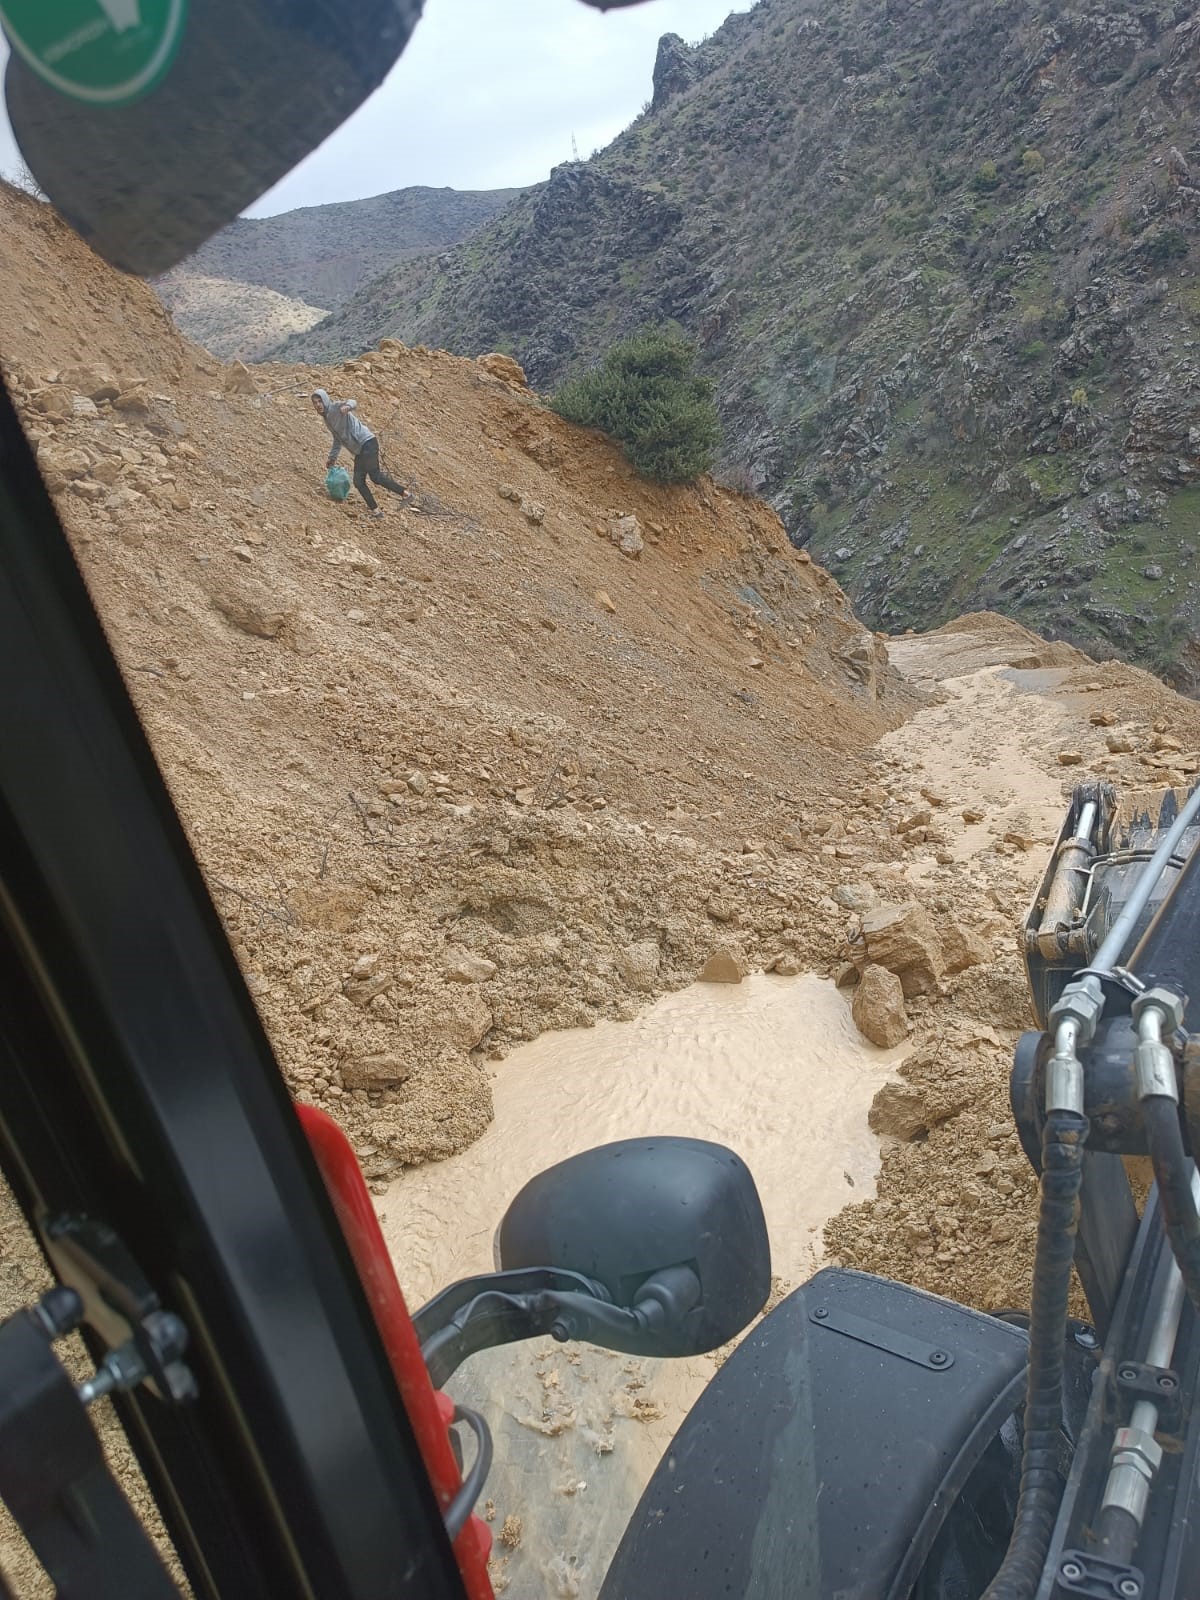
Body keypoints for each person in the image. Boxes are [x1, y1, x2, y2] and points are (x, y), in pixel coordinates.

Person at [310, 388, 410, 517]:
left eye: (320, 401)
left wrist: (348, 406)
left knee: (375, 476)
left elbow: (353, 402)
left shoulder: (335, 407)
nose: (318, 405)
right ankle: (377, 512)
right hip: (359, 450)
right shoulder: (327, 419)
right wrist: (332, 458)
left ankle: (406, 494)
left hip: (367, 442)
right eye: (315, 402)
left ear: (325, 400)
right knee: (358, 481)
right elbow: (337, 439)